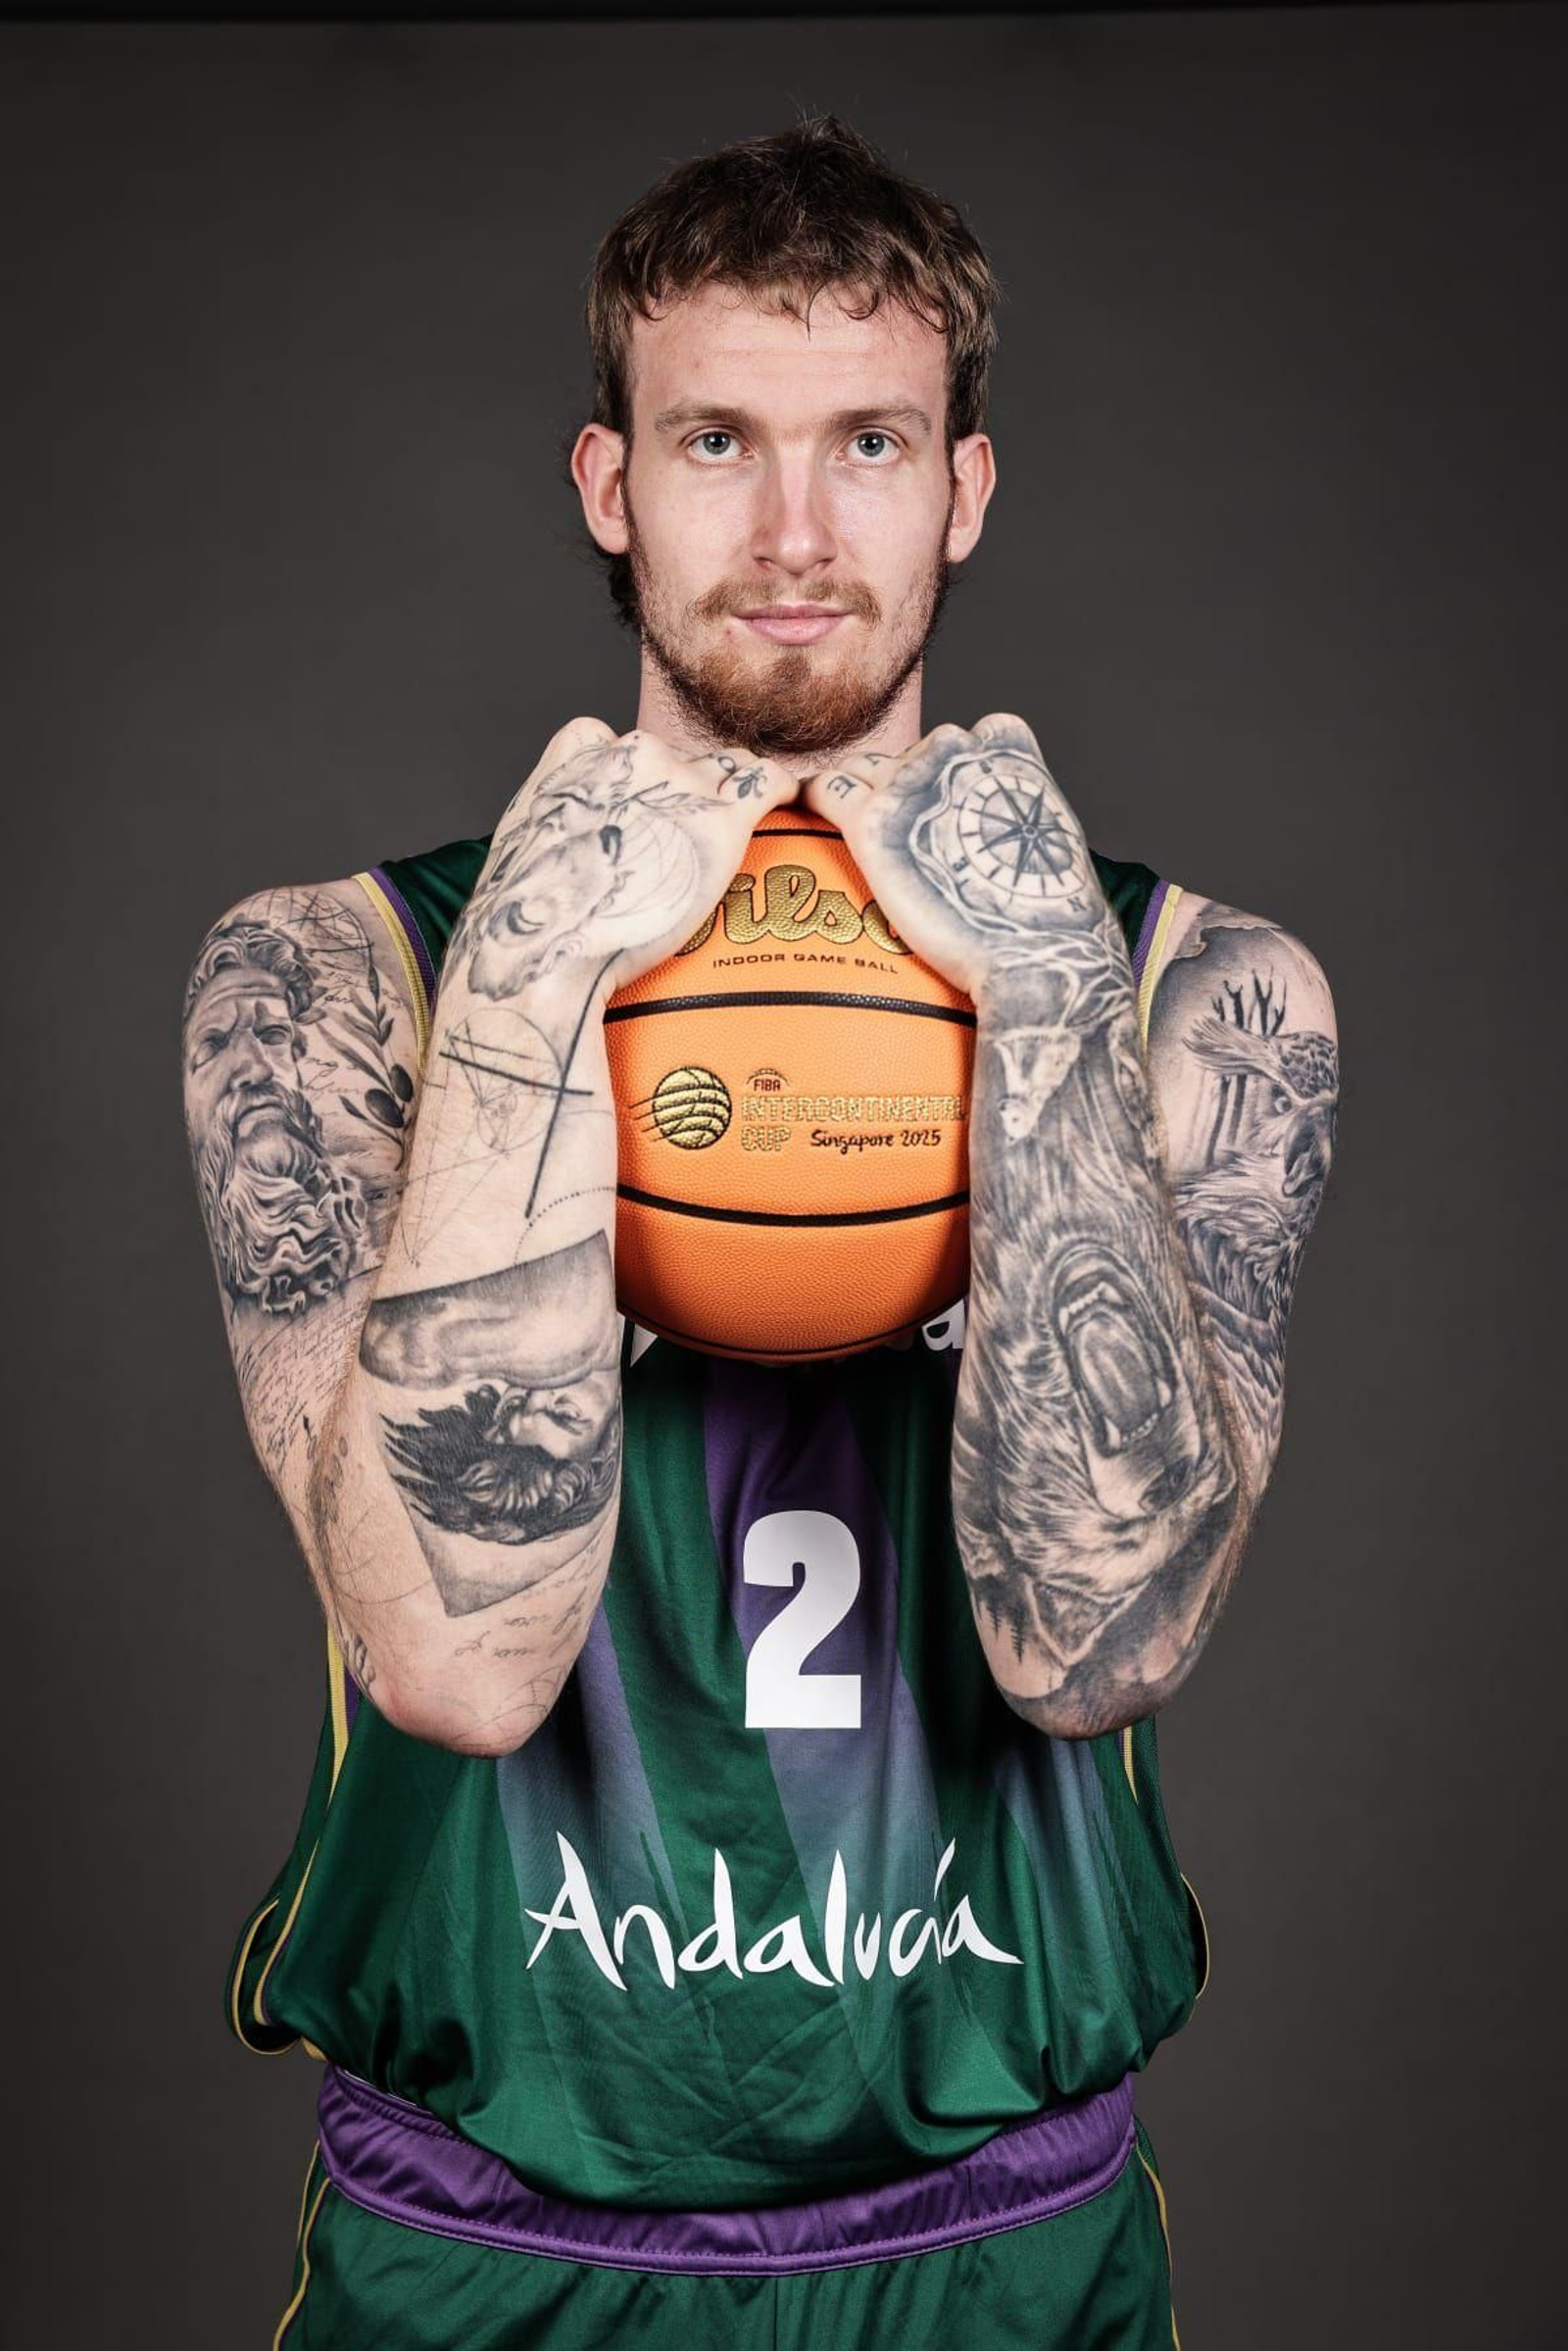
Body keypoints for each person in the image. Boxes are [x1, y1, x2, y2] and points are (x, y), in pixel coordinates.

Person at [183, 115, 1338, 2351]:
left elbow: (1094, 1650)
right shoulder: (335, 983)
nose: (794, 533)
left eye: (868, 443)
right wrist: (532, 993)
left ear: (962, 490)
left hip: (996, 2238)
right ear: (610, 482)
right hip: (493, 2237)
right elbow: (453, 1665)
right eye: (715, 438)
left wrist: (1037, 1000)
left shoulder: (1197, 993)